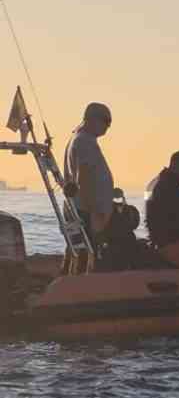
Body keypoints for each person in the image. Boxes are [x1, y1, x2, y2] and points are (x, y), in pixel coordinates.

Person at [62, 102, 115, 273]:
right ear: (91, 119)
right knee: (86, 255)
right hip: (85, 210)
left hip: (77, 207)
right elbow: (83, 179)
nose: (108, 126)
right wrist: (95, 212)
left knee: (75, 252)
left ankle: (66, 283)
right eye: (106, 121)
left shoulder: (77, 138)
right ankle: (77, 291)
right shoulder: (85, 141)